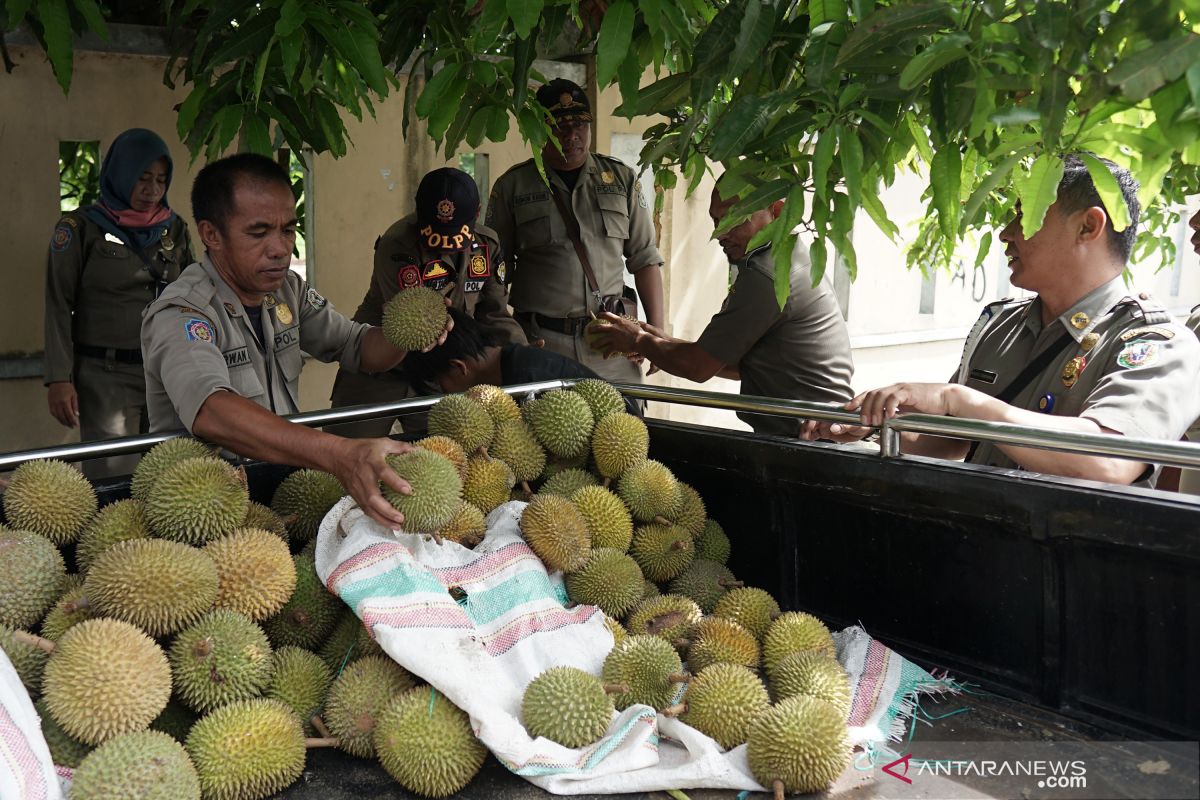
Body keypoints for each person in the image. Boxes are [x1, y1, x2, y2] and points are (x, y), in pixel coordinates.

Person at [803, 154, 1200, 486]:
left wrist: (955, 399)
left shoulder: (1157, 344)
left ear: (1088, 226)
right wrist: (877, 425)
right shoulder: (1001, 324)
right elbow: (953, 442)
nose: (1005, 233)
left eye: (1025, 216)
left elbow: (1107, 461)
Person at [140, 153, 451, 528]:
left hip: (279, 489)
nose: (280, 247)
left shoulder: (287, 291)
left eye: (288, 230)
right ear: (211, 235)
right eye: (258, 233)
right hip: (200, 507)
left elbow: (359, 348)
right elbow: (212, 410)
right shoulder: (183, 313)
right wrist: (337, 453)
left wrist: (412, 329)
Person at [587, 186, 854, 436]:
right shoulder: (788, 255)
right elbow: (734, 363)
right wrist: (659, 341)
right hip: (811, 432)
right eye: (716, 221)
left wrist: (638, 340)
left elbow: (698, 367)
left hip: (810, 438)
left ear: (777, 211)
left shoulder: (766, 276)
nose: (720, 234)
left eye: (734, 220)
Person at [485, 77, 664, 383]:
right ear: (539, 129)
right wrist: (507, 338)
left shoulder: (620, 179)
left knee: (624, 429)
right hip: (541, 343)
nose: (572, 134)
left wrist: (656, 335)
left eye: (580, 124)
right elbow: (493, 272)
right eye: (560, 125)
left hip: (612, 342)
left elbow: (645, 259)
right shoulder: (513, 186)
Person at [328, 167, 525, 437]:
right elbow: (416, 325)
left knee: (445, 463)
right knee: (346, 458)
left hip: (441, 374)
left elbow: (495, 313)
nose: (444, 247)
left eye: (454, 236)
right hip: (379, 371)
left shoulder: (487, 245)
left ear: (476, 213)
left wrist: (523, 358)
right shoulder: (398, 246)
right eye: (436, 235)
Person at [44, 128, 194, 474]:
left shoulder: (175, 229)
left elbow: (191, 296)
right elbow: (57, 303)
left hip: (164, 371)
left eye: (160, 179)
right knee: (113, 478)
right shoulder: (80, 229)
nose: (152, 190)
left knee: (170, 474)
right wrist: (58, 378)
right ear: (121, 172)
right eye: (142, 178)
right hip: (104, 376)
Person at [403, 308, 642, 417]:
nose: (446, 393)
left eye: (441, 385)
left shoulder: (527, 379)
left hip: (621, 435)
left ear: (459, 367)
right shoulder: (511, 369)